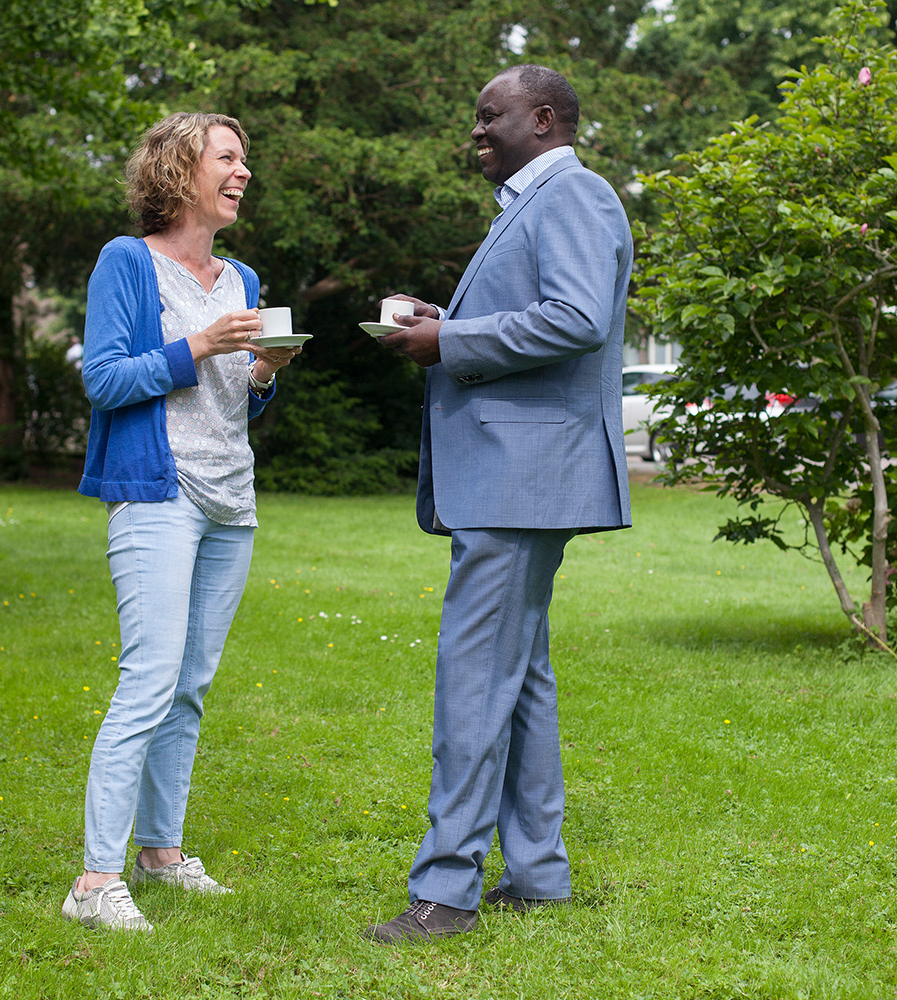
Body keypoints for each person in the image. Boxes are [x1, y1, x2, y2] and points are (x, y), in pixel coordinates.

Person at [366, 65, 634, 944]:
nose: (475, 131)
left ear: (544, 119)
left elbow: (577, 318)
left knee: (475, 680)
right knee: (520, 683)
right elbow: (544, 315)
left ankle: (445, 891)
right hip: (516, 474)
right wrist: (447, 322)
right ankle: (539, 874)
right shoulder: (531, 202)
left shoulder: (575, 194)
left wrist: (449, 341)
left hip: (523, 477)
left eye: (491, 116)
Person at [62, 111, 301, 933]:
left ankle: (160, 854)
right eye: (228, 158)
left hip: (231, 501)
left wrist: (264, 372)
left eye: (245, 161)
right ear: (178, 170)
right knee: (149, 679)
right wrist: (199, 344)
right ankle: (94, 884)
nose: (243, 173)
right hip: (156, 495)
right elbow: (104, 380)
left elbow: (234, 406)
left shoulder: (242, 279)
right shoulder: (126, 262)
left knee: (190, 688)